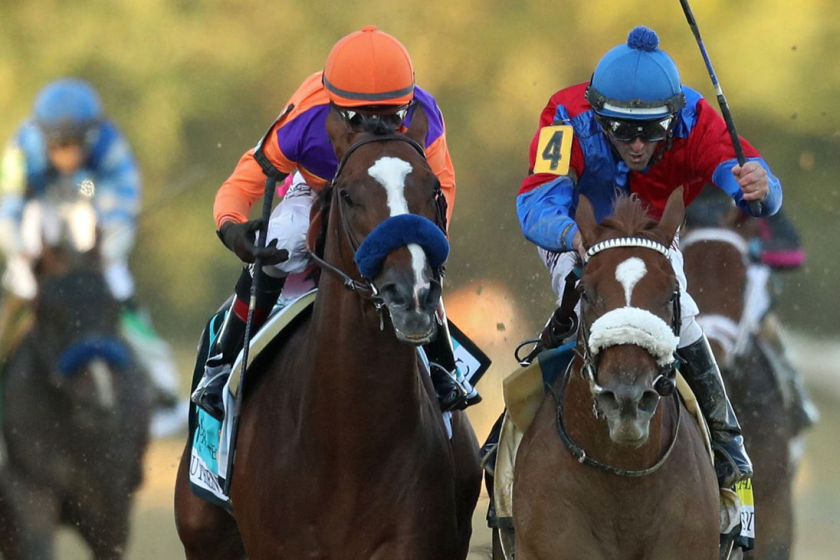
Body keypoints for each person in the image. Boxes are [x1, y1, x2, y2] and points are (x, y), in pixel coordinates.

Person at [515, 26, 783, 488]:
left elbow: (755, 185)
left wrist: (760, 190)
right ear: (597, 114)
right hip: (581, 232)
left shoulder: (697, 117)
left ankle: (726, 439)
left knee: (682, 316)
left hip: (654, 237)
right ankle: (513, 439)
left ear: (673, 117)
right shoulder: (564, 115)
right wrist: (570, 235)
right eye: (622, 130)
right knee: (585, 302)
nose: (637, 145)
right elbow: (536, 201)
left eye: (651, 131)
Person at [190, 26, 480, 421]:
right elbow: (243, 182)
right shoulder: (304, 118)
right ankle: (221, 365)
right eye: (359, 119)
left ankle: (444, 367)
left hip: (387, 194)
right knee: (281, 242)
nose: (378, 129)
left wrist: (429, 241)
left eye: (393, 116)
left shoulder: (425, 113)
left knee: (415, 252)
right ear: (333, 107)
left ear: (408, 102)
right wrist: (230, 226)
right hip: (316, 192)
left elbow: (441, 185)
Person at [0, 78, 186, 439]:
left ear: (92, 134)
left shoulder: (110, 144)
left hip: (93, 222)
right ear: (43, 136)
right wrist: (22, 248)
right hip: (38, 226)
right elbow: (9, 207)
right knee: (19, 285)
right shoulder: (21, 150)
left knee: (119, 288)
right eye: (59, 145)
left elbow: (122, 205)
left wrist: (105, 247)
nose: (68, 154)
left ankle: (163, 389)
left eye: (76, 143)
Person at [685, 185, 818, 434]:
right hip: (695, 282)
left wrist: (757, 249)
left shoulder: (759, 193)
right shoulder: (685, 186)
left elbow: (793, 252)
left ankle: (794, 393)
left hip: (740, 287)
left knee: (769, 329)